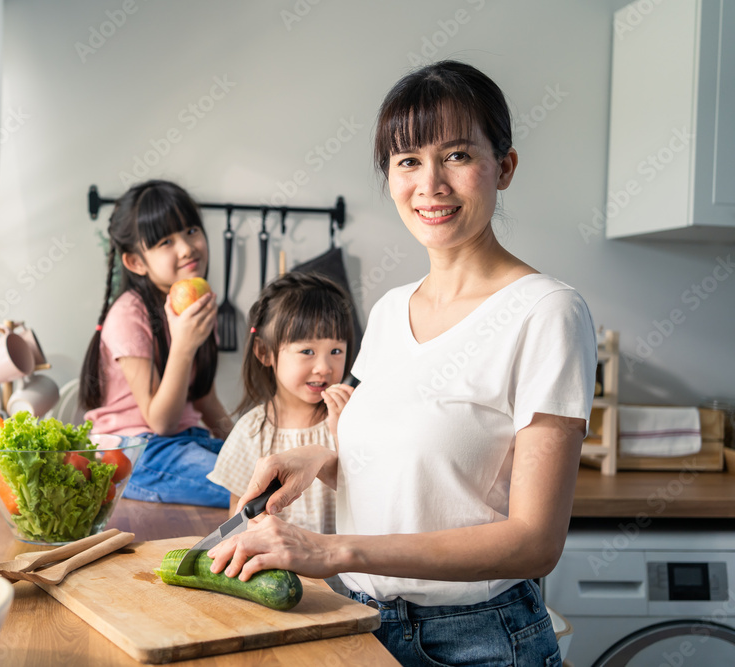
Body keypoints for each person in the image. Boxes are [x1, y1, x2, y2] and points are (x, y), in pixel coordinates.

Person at [206, 61, 596, 666]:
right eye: (408, 160)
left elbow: (534, 543)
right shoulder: (390, 312)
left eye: (459, 155)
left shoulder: (546, 313)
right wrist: (322, 460)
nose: (430, 183)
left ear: (505, 167)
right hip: (364, 624)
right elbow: (423, 470)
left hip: (479, 639)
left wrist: (334, 552)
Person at [80, 180, 232, 508]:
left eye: (191, 230)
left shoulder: (194, 304)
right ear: (135, 262)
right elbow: (160, 421)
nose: (187, 247)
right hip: (134, 452)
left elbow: (205, 398)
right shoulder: (128, 314)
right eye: (166, 241)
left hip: (184, 441)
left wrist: (244, 444)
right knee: (251, 489)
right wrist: (183, 345)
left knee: (268, 472)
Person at [207, 272, 355, 593]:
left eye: (336, 351)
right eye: (307, 351)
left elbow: (369, 496)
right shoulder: (251, 431)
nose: (324, 367)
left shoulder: (351, 421)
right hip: (274, 586)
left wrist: (348, 431)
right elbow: (237, 520)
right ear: (265, 353)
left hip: (346, 589)